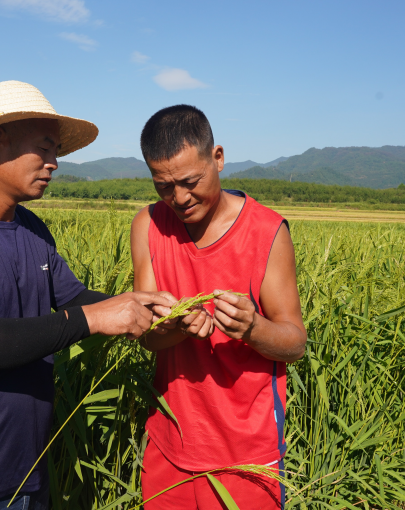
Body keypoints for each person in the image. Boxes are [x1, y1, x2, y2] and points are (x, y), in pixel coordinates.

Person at [0, 81, 175, 510]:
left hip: (29, 476)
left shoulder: (31, 230)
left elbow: (75, 299)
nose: (55, 163)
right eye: (45, 149)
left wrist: (145, 307)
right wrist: (95, 319)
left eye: (56, 151)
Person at [131, 105, 307, 510]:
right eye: (163, 186)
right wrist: (177, 327)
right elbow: (148, 339)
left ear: (218, 158)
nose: (179, 198)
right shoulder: (148, 226)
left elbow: (295, 343)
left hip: (246, 454)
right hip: (169, 443)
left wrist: (252, 328)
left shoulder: (267, 232)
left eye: (190, 181)